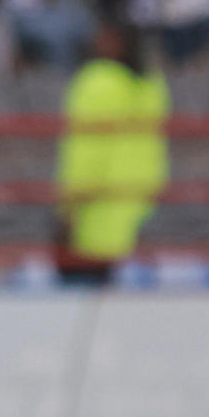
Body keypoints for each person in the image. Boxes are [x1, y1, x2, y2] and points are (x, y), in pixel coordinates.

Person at [55, 20, 168, 287]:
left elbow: (85, 152)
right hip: (140, 208)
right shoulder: (152, 86)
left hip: (95, 215)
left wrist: (68, 206)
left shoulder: (96, 81)